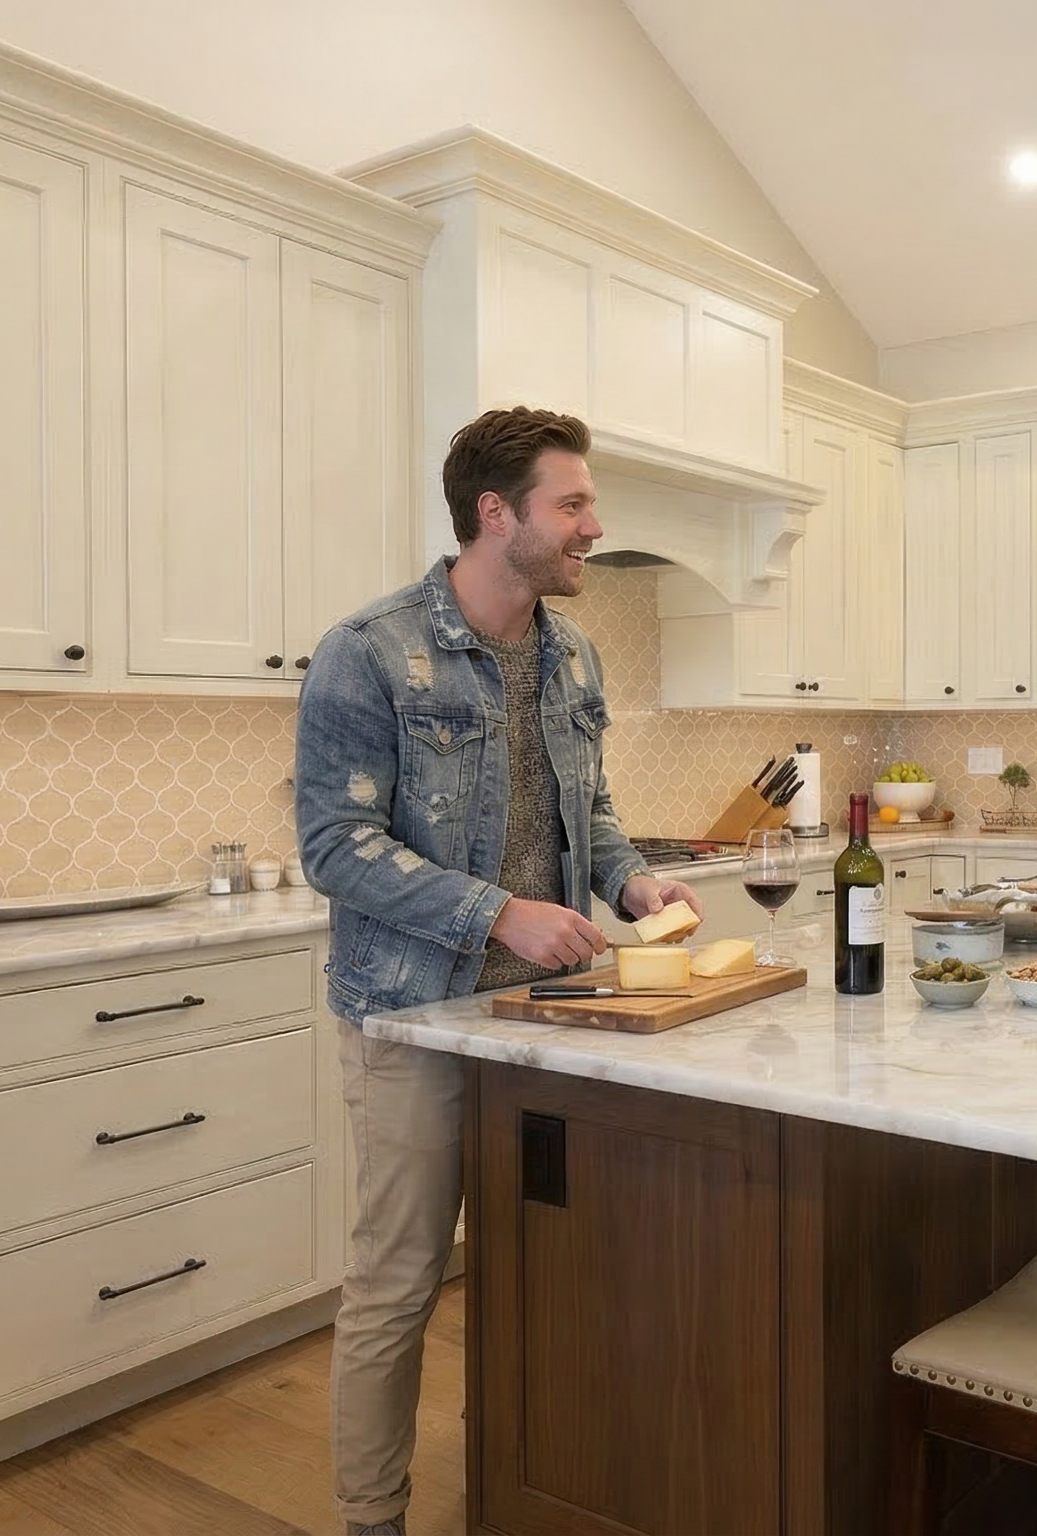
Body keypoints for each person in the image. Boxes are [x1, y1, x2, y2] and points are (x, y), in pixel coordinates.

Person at [295, 406, 702, 1536]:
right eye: (572, 504)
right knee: (399, 1282)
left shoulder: (571, 648)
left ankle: (528, 1492)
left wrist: (629, 886)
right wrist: (497, 914)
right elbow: (335, 849)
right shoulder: (369, 650)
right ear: (495, 514)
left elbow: (593, 809)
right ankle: (372, 1518)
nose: (592, 524)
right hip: (414, 1019)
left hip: (545, 1014)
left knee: (545, 1273)